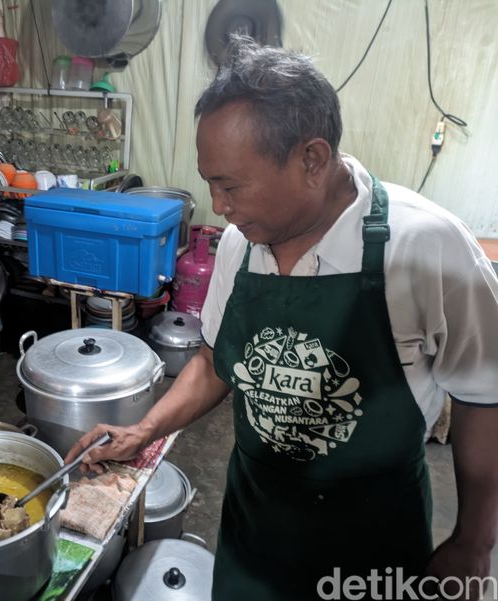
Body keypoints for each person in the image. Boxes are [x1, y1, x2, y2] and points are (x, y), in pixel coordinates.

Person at [65, 36, 498, 600]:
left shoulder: (425, 247)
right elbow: (218, 359)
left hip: (371, 542)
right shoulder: (239, 245)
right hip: (256, 530)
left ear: (312, 160)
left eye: (230, 185)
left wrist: (473, 541)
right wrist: (144, 430)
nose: (218, 205)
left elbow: (484, 396)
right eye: (210, 183)